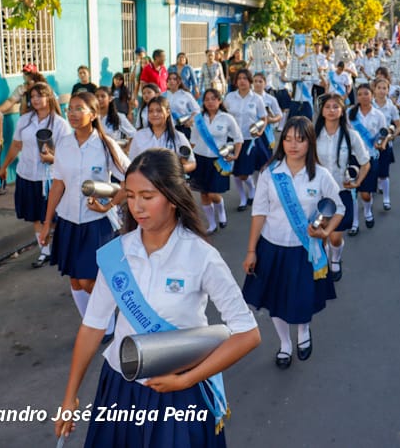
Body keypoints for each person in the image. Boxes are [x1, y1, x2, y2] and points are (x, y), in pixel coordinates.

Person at [54, 148, 260, 445]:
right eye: (130, 195)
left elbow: (248, 333)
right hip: (120, 387)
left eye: (147, 197)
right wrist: (70, 396)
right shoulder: (117, 253)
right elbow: (92, 326)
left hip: (178, 392)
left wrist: (188, 379)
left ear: (174, 198)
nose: (136, 206)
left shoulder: (201, 256)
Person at [242, 117, 343, 369]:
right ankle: (285, 344)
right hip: (272, 247)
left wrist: (326, 232)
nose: (293, 145)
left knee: (301, 297)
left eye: (300, 139)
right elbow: (259, 212)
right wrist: (252, 250)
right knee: (276, 300)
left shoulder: (321, 175)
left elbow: (339, 207)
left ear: (310, 142)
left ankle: (304, 331)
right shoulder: (270, 172)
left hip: (304, 249)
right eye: (287, 138)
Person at [39, 92, 129, 338]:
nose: (73, 114)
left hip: (96, 222)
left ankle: (107, 322)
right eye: (70, 109)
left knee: (90, 280)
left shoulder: (105, 144)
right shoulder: (64, 144)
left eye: (79, 109)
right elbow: (58, 184)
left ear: (93, 113)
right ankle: (91, 324)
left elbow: (131, 179)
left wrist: (110, 205)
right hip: (68, 221)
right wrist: (47, 223)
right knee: (75, 280)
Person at [0, 82, 72, 268]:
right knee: (35, 216)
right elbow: (16, 145)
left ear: (49, 97)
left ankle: (58, 247)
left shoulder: (60, 124)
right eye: (32, 97)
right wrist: (4, 166)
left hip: (49, 178)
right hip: (26, 175)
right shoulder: (24, 120)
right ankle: (44, 251)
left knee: (52, 217)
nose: (35, 100)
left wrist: (53, 158)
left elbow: (68, 154)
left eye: (40, 95)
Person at [314, 94, 371, 281]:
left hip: (340, 193)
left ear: (342, 111)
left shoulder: (351, 136)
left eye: (335, 107)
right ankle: (321, 265)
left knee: (335, 237)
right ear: (321, 111)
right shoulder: (312, 134)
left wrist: (357, 182)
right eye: (327, 107)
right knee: (319, 235)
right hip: (316, 193)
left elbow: (365, 162)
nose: (331, 110)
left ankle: (336, 259)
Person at [191, 88, 243, 234]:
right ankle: (212, 224)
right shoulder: (199, 119)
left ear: (219, 101)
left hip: (217, 160)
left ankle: (221, 211)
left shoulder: (227, 118)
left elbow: (238, 138)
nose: (210, 102)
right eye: (207, 99)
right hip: (200, 158)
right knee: (203, 193)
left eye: (213, 99)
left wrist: (236, 155)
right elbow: (193, 141)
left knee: (213, 193)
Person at [224, 69, 267, 211]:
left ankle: (251, 188)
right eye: (239, 78)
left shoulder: (256, 99)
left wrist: (260, 129)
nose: (242, 81)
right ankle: (243, 198)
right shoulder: (229, 97)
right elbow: (223, 116)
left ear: (249, 81)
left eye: (245, 78)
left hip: (250, 140)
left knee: (244, 173)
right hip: (233, 139)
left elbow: (263, 117)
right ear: (235, 81)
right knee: (236, 171)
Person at [348, 84, 387, 235]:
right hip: (352, 157)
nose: (363, 96)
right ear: (357, 97)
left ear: (372, 95)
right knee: (352, 192)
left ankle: (368, 211)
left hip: (370, 157)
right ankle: (354, 223)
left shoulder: (379, 115)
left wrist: (382, 143)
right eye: (360, 94)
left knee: (365, 193)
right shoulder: (350, 113)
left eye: (366, 93)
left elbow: (384, 134)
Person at [128, 96, 196, 174]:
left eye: (159, 111)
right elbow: (131, 162)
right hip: (144, 182)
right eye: (150, 111)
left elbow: (192, 163)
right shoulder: (139, 136)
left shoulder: (178, 137)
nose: (154, 114)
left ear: (168, 112)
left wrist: (175, 171)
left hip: (169, 183)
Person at [371, 78, 400, 211]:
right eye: (379, 88)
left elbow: (399, 126)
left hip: (385, 145)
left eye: (384, 88)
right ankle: (369, 201)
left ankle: (386, 199)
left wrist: (391, 136)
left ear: (388, 90)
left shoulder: (391, 107)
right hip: (370, 145)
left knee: (384, 173)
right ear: (374, 89)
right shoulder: (369, 105)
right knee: (371, 173)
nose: (382, 91)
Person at [252, 73, 282, 170]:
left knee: (266, 164)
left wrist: (271, 120)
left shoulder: (271, 99)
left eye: (260, 81)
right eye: (255, 81)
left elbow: (279, 115)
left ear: (265, 84)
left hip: (266, 134)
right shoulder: (248, 98)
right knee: (251, 166)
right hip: (251, 134)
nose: (257, 84)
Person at [162, 71, 200, 139]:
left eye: (174, 79)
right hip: (166, 128)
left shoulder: (185, 95)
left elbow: (197, 110)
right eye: (169, 79)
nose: (171, 81)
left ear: (179, 82)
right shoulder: (163, 95)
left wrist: (190, 120)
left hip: (182, 127)